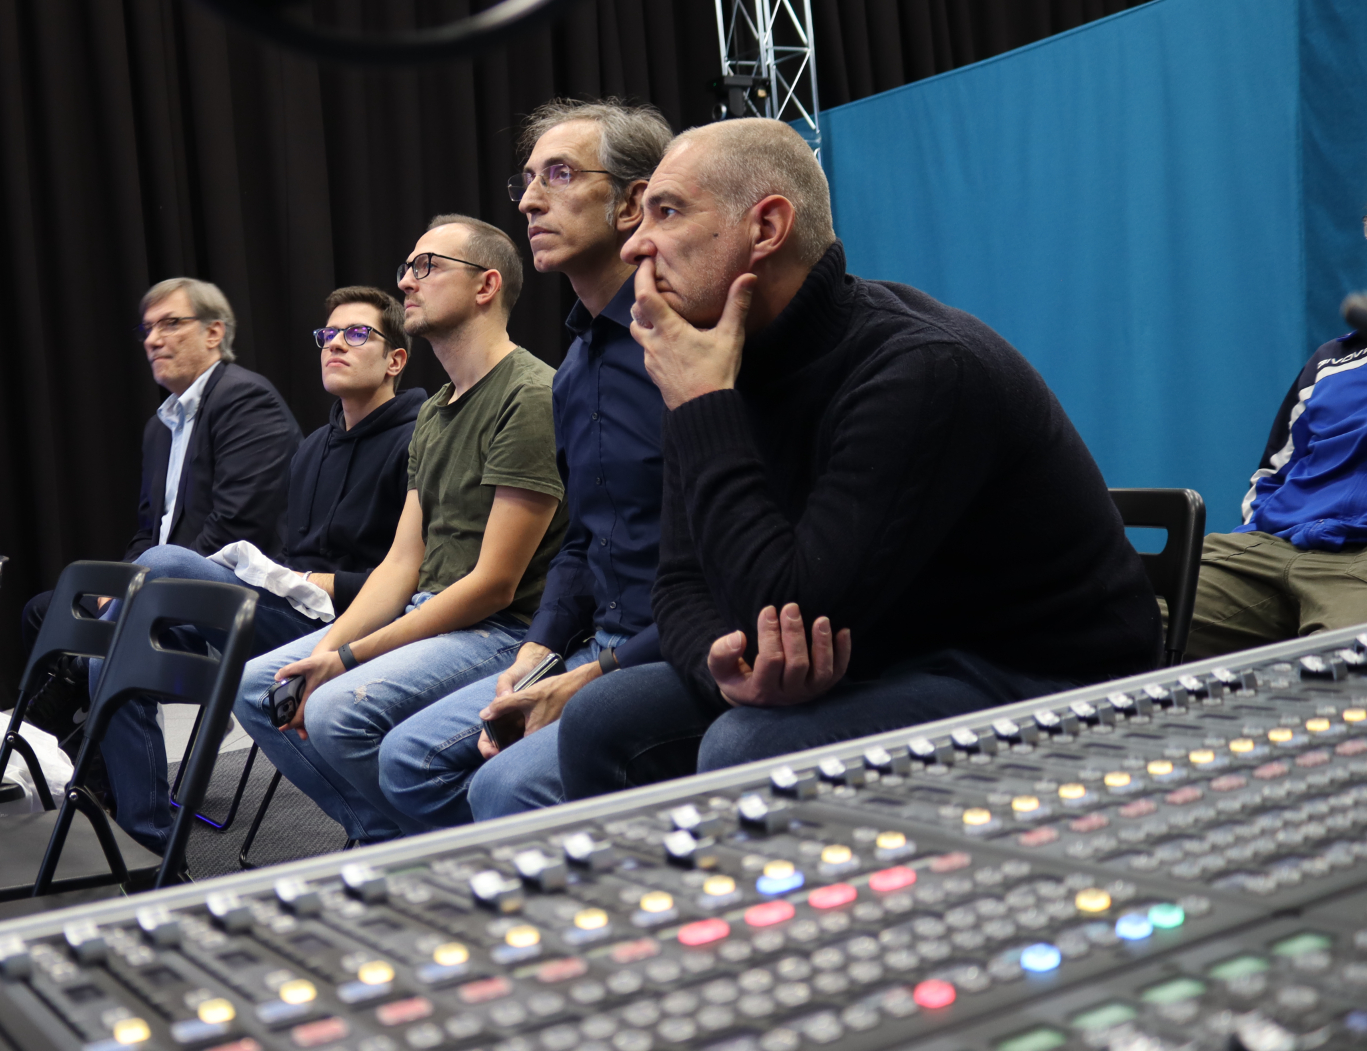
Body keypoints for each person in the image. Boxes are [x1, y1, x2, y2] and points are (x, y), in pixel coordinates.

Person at [552, 118, 1160, 800]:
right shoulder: (714, 361)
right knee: (601, 719)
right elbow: (679, 580)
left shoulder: (919, 368)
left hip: (1040, 672)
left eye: (667, 212)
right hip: (887, 647)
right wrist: (723, 669)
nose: (635, 244)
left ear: (766, 227)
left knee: (747, 747)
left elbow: (793, 608)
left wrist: (702, 405)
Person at [379, 99, 673, 831]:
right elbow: (584, 541)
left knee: (501, 787)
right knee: (408, 759)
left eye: (560, 175)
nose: (530, 201)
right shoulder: (576, 371)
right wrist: (540, 650)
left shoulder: (684, 347)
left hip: (671, 645)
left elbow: (715, 567)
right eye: (529, 180)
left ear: (631, 203)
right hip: (593, 639)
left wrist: (590, 674)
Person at [233, 215, 568, 845]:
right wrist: (328, 650)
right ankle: (387, 839)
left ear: (486, 285)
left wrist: (348, 658)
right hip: (434, 611)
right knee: (258, 686)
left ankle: (459, 851)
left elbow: (495, 585)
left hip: (503, 630)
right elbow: (400, 564)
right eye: (407, 269)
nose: (408, 282)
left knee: (335, 712)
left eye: (427, 267)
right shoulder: (436, 412)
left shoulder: (529, 395)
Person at [91, 287, 425, 852]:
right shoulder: (314, 447)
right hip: (292, 616)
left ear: (395, 360)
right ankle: (148, 843)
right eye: (328, 334)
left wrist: (325, 584)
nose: (335, 344)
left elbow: (420, 577)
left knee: (164, 563)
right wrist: (290, 578)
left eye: (356, 334)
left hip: (360, 626)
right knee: (112, 643)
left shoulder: (420, 438)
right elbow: (295, 560)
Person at [18, 278, 300, 651]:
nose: (152, 340)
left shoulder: (245, 399)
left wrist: (140, 588)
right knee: (46, 611)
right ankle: (88, 683)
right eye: (147, 328)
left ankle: (91, 680)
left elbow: (237, 528)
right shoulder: (161, 426)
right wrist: (121, 583)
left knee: (104, 635)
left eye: (170, 323)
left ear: (213, 333)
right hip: (162, 584)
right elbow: (148, 532)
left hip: (230, 592)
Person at [1184, 312, 1367, 659]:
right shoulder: (1330, 358)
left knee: (1344, 670)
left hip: (1359, 564)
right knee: (1117, 620)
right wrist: (1256, 533)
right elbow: (1274, 471)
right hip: (1273, 546)